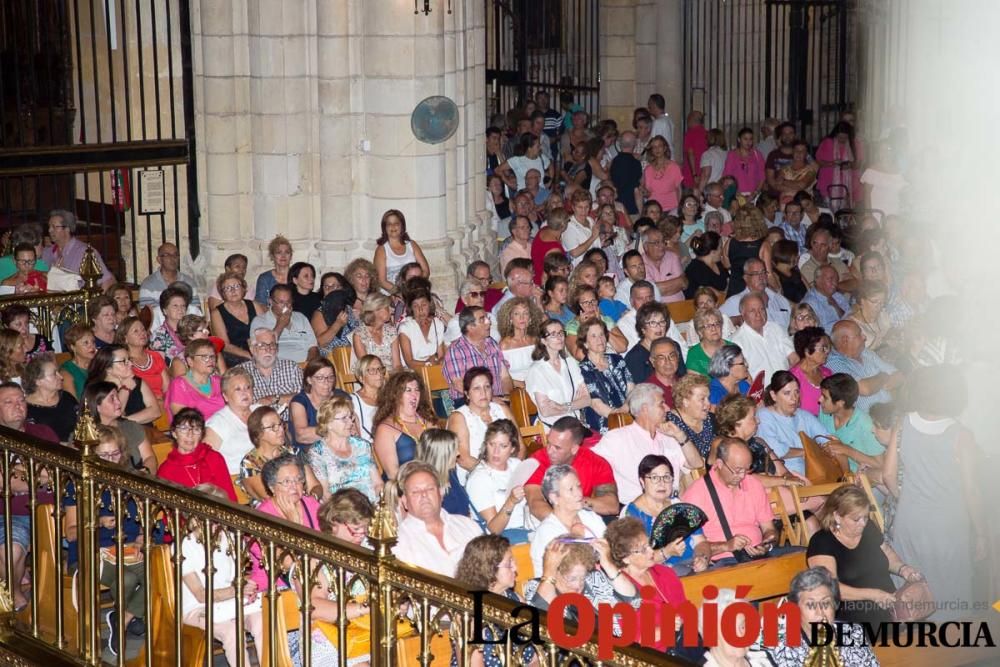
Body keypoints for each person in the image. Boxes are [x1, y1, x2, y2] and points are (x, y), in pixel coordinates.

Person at [883, 366, 987, 621]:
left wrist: (906, 499)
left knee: (910, 592)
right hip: (947, 525)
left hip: (910, 519)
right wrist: (982, 533)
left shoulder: (903, 423)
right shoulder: (961, 434)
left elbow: (887, 475)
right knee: (949, 593)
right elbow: (971, 489)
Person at [64, 426, 143, 656]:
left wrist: (140, 538)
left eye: (115, 454)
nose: (110, 460)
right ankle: (135, 618)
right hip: (92, 554)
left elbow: (149, 522)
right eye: (104, 455)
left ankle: (123, 619)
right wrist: (97, 521)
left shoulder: (132, 481)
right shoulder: (78, 484)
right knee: (132, 577)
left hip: (128, 550)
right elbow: (70, 533)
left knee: (157, 568)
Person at [179, 484, 265, 667]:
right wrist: (236, 590)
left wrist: (248, 589)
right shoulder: (185, 545)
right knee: (232, 631)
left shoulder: (232, 539)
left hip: (231, 602)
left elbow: (242, 575)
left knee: (261, 620)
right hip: (197, 607)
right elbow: (200, 594)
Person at [593, 383, 704, 502]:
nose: (667, 408)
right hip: (637, 510)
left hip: (670, 506)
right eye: (661, 404)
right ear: (645, 409)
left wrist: (681, 436)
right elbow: (589, 464)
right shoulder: (617, 438)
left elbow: (696, 464)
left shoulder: (669, 437)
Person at [681, 438, 778, 563]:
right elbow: (689, 548)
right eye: (737, 470)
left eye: (747, 469)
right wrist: (726, 546)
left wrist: (767, 545)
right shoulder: (697, 492)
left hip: (759, 557)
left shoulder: (754, 484)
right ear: (720, 464)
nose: (742, 476)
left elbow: (769, 529)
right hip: (723, 561)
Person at [765, 567, 880, 667]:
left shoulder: (852, 633)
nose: (820, 612)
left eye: (825, 603)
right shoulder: (782, 647)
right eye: (810, 605)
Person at [605, 517, 690, 650]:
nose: (651, 551)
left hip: (681, 646)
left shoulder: (666, 573)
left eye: (649, 544)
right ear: (626, 558)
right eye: (643, 549)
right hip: (649, 655)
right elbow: (630, 639)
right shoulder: (619, 589)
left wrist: (680, 620)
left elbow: (684, 610)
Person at [389, 460, 483, 577]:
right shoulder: (397, 544)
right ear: (404, 501)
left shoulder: (468, 526)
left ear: (441, 493)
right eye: (415, 492)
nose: (424, 495)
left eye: (429, 489)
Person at [453, 535, 537, 666]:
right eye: (509, 563)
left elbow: (537, 655)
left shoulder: (516, 600)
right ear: (489, 569)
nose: (516, 568)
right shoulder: (467, 616)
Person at [247, 454, 324, 591]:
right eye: (287, 482)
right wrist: (294, 524)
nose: (294, 486)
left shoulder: (310, 504)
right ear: (271, 487)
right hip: (275, 588)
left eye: (298, 480)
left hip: (319, 578)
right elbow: (289, 563)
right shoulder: (260, 519)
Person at [523, 416, 619, 522]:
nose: (550, 451)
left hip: (583, 518)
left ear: (574, 448)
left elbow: (612, 505)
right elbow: (535, 503)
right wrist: (566, 523)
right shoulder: (535, 462)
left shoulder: (595, 462)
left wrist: (576, 502)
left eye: (557, 447)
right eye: (549, 443)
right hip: (549, 521)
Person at [529, 465, 609, 574]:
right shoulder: (548, 532)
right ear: (554, 497)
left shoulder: (591, 518)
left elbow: (609, 554)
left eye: (579, 486)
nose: (579, 494)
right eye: (571, 489)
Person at [756, 371, 834, 478]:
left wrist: (824, 448)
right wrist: (808, 452)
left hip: (814, 474)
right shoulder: (764, 416)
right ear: (774, 395)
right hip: (783, 477)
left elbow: (827, 440)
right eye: (787, 393)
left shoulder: (804, 416)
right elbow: (777, 450)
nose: (794, 398)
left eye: (796, 392)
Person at [240, 406, 321, 504]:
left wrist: (311, 501)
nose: (281, 430)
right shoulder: (250, 463)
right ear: (258, 434)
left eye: (281, 424)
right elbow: (270, 498)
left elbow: (315, 486)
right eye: (273, 427)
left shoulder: (294, 452)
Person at [465, 419, 529, 543]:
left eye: (503, 446)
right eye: (492, 444)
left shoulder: (516, 465)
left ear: (512, 448)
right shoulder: (479, 478)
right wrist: (511, 502)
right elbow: (493, 530)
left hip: (527, 527)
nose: (496, 452)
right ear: (485, 444)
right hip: (501, 538)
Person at [445, 366, 515, 479]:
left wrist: (513, 471)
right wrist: (494, 474)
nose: (483, 392)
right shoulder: (459, 417)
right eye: (477, 388)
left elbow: (520, 447)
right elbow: (463, 459)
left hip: (508, 473)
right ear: (467, 394)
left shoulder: (502, 409)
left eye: (487, 387)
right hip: (476, 477)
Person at [309, 396, 382, 503]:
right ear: (328, 423)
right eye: (344, 418)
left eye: (350, 417)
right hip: (341, 509)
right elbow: (325, 494)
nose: (351, 422)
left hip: (371, 504)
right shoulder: (318, 452)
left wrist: (381, 502)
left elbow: (377, 483)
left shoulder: (362, 446)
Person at [156, 407, 237, 501]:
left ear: (201, 434)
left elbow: (230, 498)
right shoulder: (166, 470)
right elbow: (168, 509)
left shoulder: (214, 458)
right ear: (174, 433)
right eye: (184, 429)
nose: (190, 435)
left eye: (196, 429)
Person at [372, 369, 438, 480]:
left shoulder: (429, 422)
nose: (414, 395)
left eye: (417, 390)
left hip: (434, 481)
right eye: (408, 390)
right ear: (396, 395)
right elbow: (393, 474)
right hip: (404, 487)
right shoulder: (385, 429)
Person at [827, 319, 902, 414]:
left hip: (891, 409)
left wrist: (882, 382)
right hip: (872, 420)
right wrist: (884, 376)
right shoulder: (833, 363)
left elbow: (899, 375)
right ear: (845, 340)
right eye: (859, 334)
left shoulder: (865, 352)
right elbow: (864, 389)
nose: (864, 337)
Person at [526, 319, 590, 429]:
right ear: (543, 341)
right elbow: (546, 411)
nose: (559, 337)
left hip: (576, 425)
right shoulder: (536, 370)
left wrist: (562, 407)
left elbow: (587, 400)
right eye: (553, 334)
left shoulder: (570, 363)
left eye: (561, 333)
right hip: (552, 428)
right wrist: (573, 404)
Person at [817, 374, 885, 477]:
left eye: (825, 398)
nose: (819, 400)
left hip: (858, 479)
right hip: (829, 470)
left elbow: (880, 464)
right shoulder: (825, 412)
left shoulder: (865, 424)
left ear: (840, 403)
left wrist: (847, 450)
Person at [443, 307, 511, 406]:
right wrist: (490, 399)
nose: (489, 322)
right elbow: (459, 385)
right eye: (482, 319)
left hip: (498, 400)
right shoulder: (456, 350)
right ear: (470, 326)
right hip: (468, 401)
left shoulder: (492, 343)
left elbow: (505, 378)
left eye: (487, 318)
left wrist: (507, 397)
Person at [84, 382, 157, 473]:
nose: (118, 402)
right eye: (112, 399)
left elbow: (149, 457)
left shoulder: (131, 427)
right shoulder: (85, 433)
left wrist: (144, 473)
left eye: (117, 397)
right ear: (97, 406)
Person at [577, 318, 633, 434]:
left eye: (602, 334)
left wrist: (626, 408)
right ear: (585, 343)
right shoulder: (583, 369)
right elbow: (596, 404)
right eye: (593, 336)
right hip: (602, 423)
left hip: (628, 414)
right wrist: (619, 417)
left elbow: (631, 388)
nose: (600, 339)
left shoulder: (617, 359)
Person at [84, 345, 161, 425]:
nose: (131, 364)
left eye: (129, 359)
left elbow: (156, 412)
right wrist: (126, 389)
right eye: (124, 361)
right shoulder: (97, 389)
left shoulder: (136, 381)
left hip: (144, 433)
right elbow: (112, 417)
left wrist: (123, 422)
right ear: (108, 368)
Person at [731, 291, 795, 385]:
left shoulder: (776, 328)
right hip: (762, 395)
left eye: (762, 309)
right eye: (752, 311)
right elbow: (743, 378)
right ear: (743, 314)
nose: (758, 314)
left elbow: (793, 358)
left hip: (787, 387)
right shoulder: (737, 341)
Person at [204, 366, 258, 474]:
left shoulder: (261, 411)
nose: (244, 393)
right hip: (236, 480)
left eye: (248, 387)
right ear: (225, 396)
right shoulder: (217, 424)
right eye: (237, 389)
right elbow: (205, 464)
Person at [42, 209, 115, 289]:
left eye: (54, 227)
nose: (50, 230)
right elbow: (37, 272)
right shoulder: (47, 252)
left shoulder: (84, 252)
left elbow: (106, 281)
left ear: (67, 229)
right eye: (49, 226)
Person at [238, 328, 304, 415]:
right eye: (262, 345)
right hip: (258, 425)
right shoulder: (241, 372)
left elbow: (303, 399)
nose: (268, 349)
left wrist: (274, 398)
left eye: (272, 345)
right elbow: (238, 406)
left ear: (277, 349)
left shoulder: (292, 368)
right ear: (252, 349)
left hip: (291, 424)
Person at [250, 283, 318, 364]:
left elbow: (313, 347)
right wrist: (280, 325)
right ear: (271, 301)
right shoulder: (259, 321)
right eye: (281, 302)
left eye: (289, 302)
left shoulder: (301, 317)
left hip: (305, 364)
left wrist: (308, 365)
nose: (286, 306)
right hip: (278, 367)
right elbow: (263, 350)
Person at [211, 270, 267, 366]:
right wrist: (249, 355)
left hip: (258, 349)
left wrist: (261, 351)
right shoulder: (217, 313)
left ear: (243, 289)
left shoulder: (254, 305)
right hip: (235, 354)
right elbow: (225, 345)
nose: (233, 290)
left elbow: (266, 332)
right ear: (222, 293)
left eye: (236, 286)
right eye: (227, 288)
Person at [720, 257, 791, 330]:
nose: (761, 277)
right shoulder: (735, 302)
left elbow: (791, 327)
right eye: (755, 274)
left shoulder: (779, 299)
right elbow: (716, 322)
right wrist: (736, 320)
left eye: (763, 272)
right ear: (746, 278)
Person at [164, 339, 225, 422]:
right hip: (194, 431)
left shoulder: (220, 382)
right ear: (190, 361)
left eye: (212, 356)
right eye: (204, 357)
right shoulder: (179, 384)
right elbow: (182, 419)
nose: (210, 360)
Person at [288, 357, 342, 450]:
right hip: (307, 453)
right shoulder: (299, 402)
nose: (326, 383)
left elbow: (354, 430)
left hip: (338, 449)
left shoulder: (342, 397)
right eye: (320, 378)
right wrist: (336, 429)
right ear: (309, 380)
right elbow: (301, 435)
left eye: (330, 377)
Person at [23, 353, 79, 442]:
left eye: (58, 372)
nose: (61, 377)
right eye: (54, 374)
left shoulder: (67, 398)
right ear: (38, 381)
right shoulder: (26, 409)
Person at [373, 209, 429, 292]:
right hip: (392, 294)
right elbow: (381, 281)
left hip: (414, 292)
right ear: (384, 228)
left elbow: (425, 271)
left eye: (396, 223)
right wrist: (400, 293)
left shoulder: (412, 245)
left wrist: (416, 288)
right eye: (389, 224)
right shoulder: (381, 250)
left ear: (402, 226)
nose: (393, 226)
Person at [115, 316, 169, 402]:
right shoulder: (123, 362)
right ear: (125, 338)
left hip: (162, 404)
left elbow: (167, 389)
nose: (142, 333)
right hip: (139, 406)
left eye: (143, 329)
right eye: (136, 331)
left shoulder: (155, 356)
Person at [664, 373, 717, 460]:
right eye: (702, 399)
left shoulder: (712, 419)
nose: (708, 404)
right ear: (685, 402)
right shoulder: (670, 423)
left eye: (708, 398)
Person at [496, 296, 543, 386]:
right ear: (510, 318)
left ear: (530, 317)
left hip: (539, 386)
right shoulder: (504, 345)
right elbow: (500, 376)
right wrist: (524, 385)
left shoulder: (535, 340)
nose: (522, 318)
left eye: (525, 313)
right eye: (516, 314)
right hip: (516, 390)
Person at [788, 326, 833, 416]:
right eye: (823, 348)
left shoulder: (827, 373)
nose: (827, 351)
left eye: (828, 348)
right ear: (808, 351)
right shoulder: (792, 378)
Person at [138, 242, 199, 309]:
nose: (172, 258)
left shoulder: (189, 282)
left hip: (185, 319)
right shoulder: (148, 285)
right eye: (167, 255)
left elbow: (196, 311)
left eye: (175, 255)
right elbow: (149, 316)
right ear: (159, 260)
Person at [397, 287, 446, 369]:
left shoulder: (437, 324)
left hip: (434, 370)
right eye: (416, 306)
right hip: (413, 372)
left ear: (429, 305)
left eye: (424, 305)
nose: (420, 309)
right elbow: (409, 362)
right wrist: (428, 363)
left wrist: (438, 362)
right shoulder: (405, 327)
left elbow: (441, 356)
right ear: (411, 308)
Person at [815, 121, 861, 209]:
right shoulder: (827, 142)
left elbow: (858, 164)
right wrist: (832, 163)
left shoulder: (855, 144)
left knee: (846, 212)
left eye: (845, 137)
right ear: (835, 134)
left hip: (849, 184)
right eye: (840, 137)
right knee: (830, 210)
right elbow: (819, 161)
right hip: (828, 182)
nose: (842, 140)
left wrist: (850, 165)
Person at [623, 302, 673, 382]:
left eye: (662, 322)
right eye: (653, 323)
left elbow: (682, 377)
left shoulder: (673, 347)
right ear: (643, 328)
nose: (659, 327)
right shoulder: (635, 357)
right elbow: (640, 389)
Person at [167, 314, 227, 379]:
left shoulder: (215, 352)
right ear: (190, 335)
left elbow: (225, 379)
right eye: (202, 330)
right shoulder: (179, 361)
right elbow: (182, 386)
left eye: (206, 329)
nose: (208, 332)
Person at [564, 286, 615, 360]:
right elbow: (580, 356)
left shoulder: (606, 320)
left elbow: (622, 347)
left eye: (593, 301)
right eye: (585, 303)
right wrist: (584, 328)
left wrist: (601, 324)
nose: (591, 305)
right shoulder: (572, 326)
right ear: (578, 305)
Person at [641, 227, 687, 303]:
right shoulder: (640, 262)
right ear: (646, 246)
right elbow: (649, 291)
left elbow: (683, 283)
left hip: (679, 305)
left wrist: (657, 288)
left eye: (663, 241)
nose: (662, 245)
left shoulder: (672, 257)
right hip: (655, 310)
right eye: (656, 242)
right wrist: (675, 284)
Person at [847, 280, 892, 352]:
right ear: (862, 301)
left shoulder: (883, 315)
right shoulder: (852, 326)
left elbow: (890, 332)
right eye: (874, 301)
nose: (879, 306)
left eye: (882, 302)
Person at [685, 308, 730, 376]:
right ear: (700, 332)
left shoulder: (732, 347)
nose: (713, 329)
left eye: (716, 324)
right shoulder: (694, 354)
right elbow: (694, 384)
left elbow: (744, 376)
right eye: (708, 326)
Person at [683, 232, 729, 299]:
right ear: (713, 252)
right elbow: (708, 292)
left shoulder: (719, 263)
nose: (722, 251)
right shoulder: (695, 268)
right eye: (720, 248)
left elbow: (728, 282)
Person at [724, 126, 767, 195]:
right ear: (739, 139)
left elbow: (762, 176)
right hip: (736, 194)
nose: (748, 142)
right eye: (745, 139)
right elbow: (728, 176)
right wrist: (738, 195)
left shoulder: (757, 155)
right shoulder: (732, 155)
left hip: (754, 194)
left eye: (750, 139)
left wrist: (755, 193)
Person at [350, 355, 384, 442]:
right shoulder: (353, 400)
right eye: (372, 370)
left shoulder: (388, 396)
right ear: (361, 378)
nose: (379, 373)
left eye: (380, 369)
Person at [60, 323, 97, 399]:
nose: (92, 346)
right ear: (73, 347)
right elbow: (73, 405)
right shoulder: (66, 373)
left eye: (93, 342)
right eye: (86, 343)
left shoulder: (100, 365)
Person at [253, 235, 293, 305]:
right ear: (272, 256)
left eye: (287, 252)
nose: (283, 256)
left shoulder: (297, 276)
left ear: (291, 256)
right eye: (279, 252)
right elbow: (260, 304)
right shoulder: (264, 278)